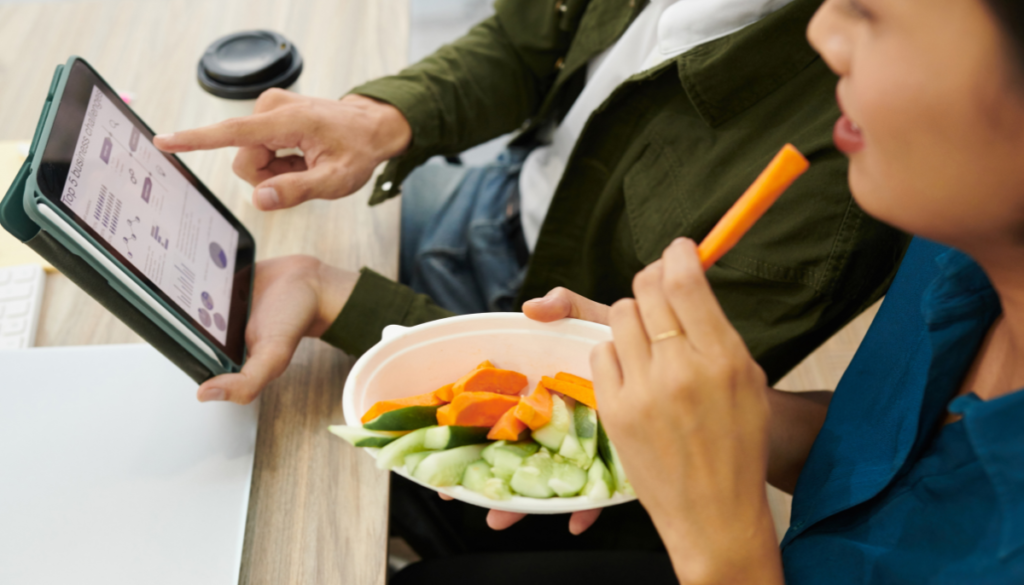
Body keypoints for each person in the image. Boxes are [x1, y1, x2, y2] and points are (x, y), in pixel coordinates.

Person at [155, 0, 907, 559]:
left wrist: (338, 297)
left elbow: (646, 407)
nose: (833, 33)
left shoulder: (858, 151)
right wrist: (379, 118)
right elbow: (528, 43)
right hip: (503, 205)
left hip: (557, 370)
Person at [391, 0, 1024, 581]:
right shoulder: (955, 239)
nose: (823, 32)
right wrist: (713, 411)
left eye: (874, 13)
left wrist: (723, 545)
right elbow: (881, 454)